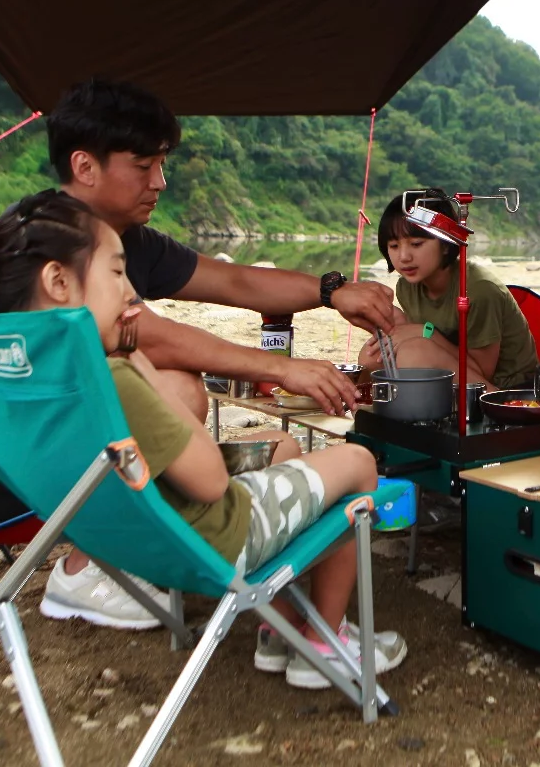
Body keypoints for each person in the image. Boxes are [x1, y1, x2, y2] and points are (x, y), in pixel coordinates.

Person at [0, 191, 408, 688]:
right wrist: (141, 367)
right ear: (58, 282)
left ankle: (281, 631)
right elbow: (210, 483)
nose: (131, 292)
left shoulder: (20, 378)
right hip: (212, 538)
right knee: (356, 462)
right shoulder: (116, 380)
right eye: (116, 273)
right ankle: (324, 642)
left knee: (283, 444)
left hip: (122, 532)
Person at [34, 79, 398, 627]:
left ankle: (160, 560)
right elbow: (147, 334)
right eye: (144, 166)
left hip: (41, 452)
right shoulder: (50, 247)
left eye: (162, 164)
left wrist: (332, 292)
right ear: (85, 166)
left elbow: (234, 281)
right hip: (56, 452)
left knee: (266, 438)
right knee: (181, 390)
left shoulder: (122, 237)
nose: (160, 182)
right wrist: (281, 368)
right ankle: (94, 567)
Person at [359, 190, 538, 393]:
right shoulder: (406, 287)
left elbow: (482, 372)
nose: (404, 257)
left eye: (416, 244)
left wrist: (425, 332)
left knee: (414, 355)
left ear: (445, 244)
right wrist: (399, 324)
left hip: (504, 389)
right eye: (393, 246)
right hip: (453, 371)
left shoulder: (480, 290)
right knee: (371, 355)